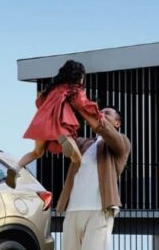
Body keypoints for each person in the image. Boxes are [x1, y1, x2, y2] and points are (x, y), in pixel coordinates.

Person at [51, 106, 131, 250]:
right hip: (73, 210)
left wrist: (88, 110)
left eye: (107, 113)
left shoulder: (120, 143)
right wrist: (58, 107)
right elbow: (61, 136)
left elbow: (103, 129)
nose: (101, 115)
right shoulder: (84, 144)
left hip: (100, 210)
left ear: (117, 123)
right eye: (99, 111)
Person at [7, 60, 102, 189]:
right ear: (79, 75)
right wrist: (98, 114)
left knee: (36, 152)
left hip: (41, 122)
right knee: (78, 159)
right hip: (59, 123)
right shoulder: (75, 88)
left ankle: (16, 168)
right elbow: (82, 103)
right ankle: (66, 143)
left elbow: (39, 102)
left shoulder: (52, 88)